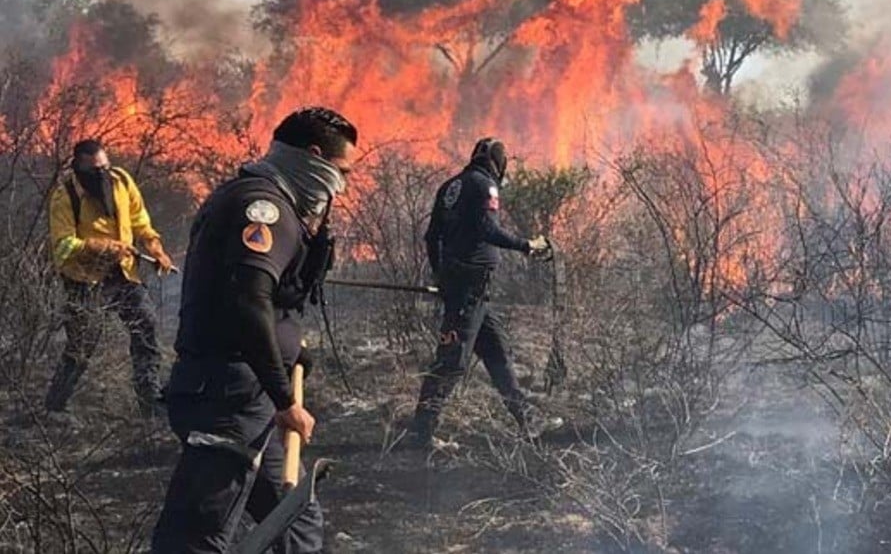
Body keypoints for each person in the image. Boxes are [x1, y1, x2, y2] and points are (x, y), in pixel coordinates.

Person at [151, 107, 358, 553]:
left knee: (296, 521)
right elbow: (248, 301)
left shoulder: (279, 206)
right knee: (196, 538)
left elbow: (272, 299)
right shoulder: (263, 209)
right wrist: (286, 398)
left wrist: (290, 348)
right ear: (314, 157)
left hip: (251, 400)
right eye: (340, 171)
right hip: (226, 398)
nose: (342, 184)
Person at [405, 137, 558, 449]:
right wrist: (526, 246)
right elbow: (488, 230)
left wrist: (441, 274)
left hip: (470, 291)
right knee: (451, 361)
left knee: (497, 353)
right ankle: (421, 433)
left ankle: (527, 421)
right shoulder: (485, 186)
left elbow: (432, 237)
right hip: (469, 290)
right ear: (498, 164)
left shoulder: (451, 186)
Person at [45, 139, 174, 416]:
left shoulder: (121, 181)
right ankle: (54, 406)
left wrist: (155, 248)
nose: (102, 174)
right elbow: (63, 245)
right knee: (82, 343)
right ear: (79, 168)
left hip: (123, 273)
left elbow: (140, 220)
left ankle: (149, 401)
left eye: (105, 167)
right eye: (95, 171)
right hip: (84, 279)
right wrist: (103, 246)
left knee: (145, 327)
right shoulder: (65, 195)